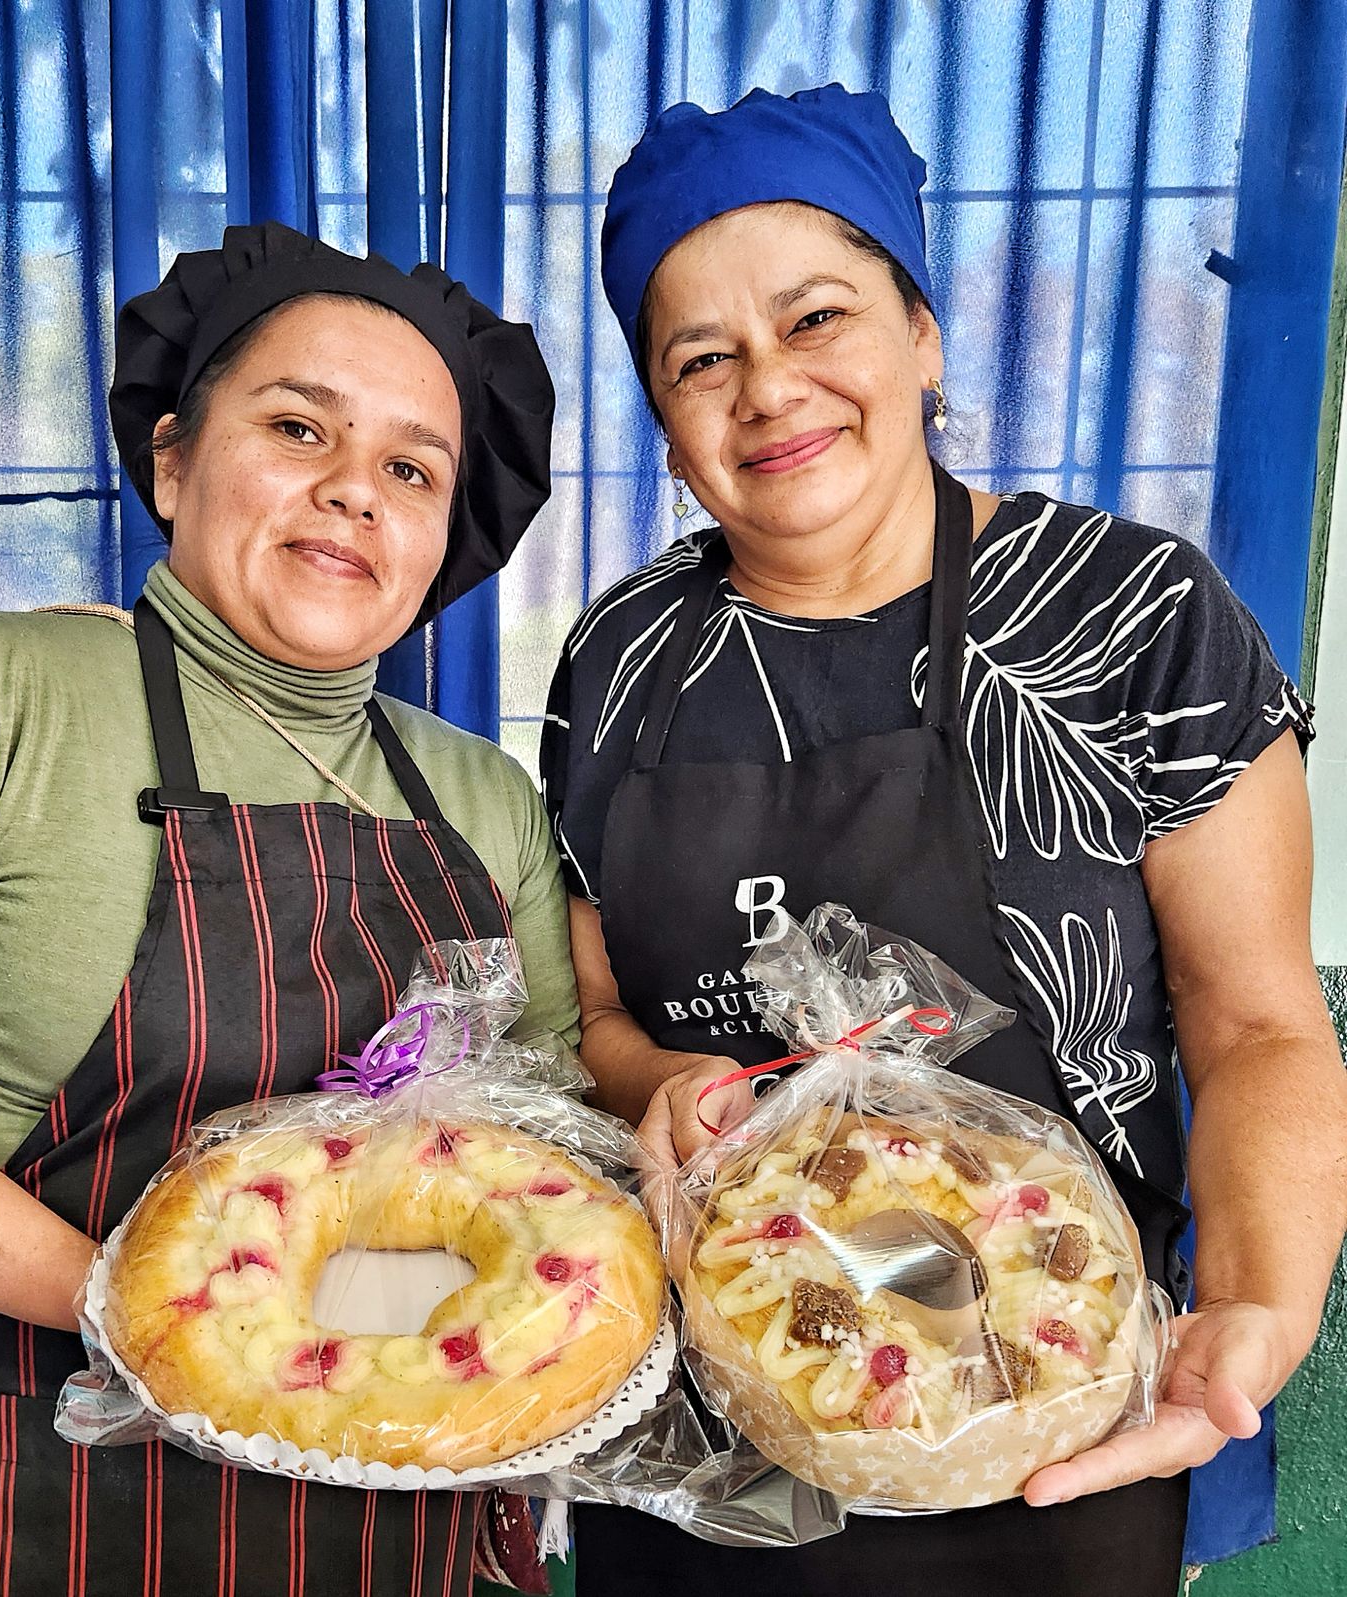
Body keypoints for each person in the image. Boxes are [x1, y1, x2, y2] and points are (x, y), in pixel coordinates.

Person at [542, 84, 1347, 1597]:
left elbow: (1255, 1026)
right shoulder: (622, 661)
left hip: (1062, 1415)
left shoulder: (1132, 619)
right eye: (700, 357)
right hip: (710, 1438)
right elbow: (592, 1017)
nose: (768, 388)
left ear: (922, 333)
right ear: (662, 413)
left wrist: (1258, 1300)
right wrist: (668, 1086)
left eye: (819, 317)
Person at [0, 222, 571, 1595]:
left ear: (443, 535)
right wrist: (157, 1310)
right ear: (176, 456)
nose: (355, 491)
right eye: (300, 427)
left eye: (411, 468)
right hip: (28, 1480)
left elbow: (557, 1152)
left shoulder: (482, 800)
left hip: (405, 1504)